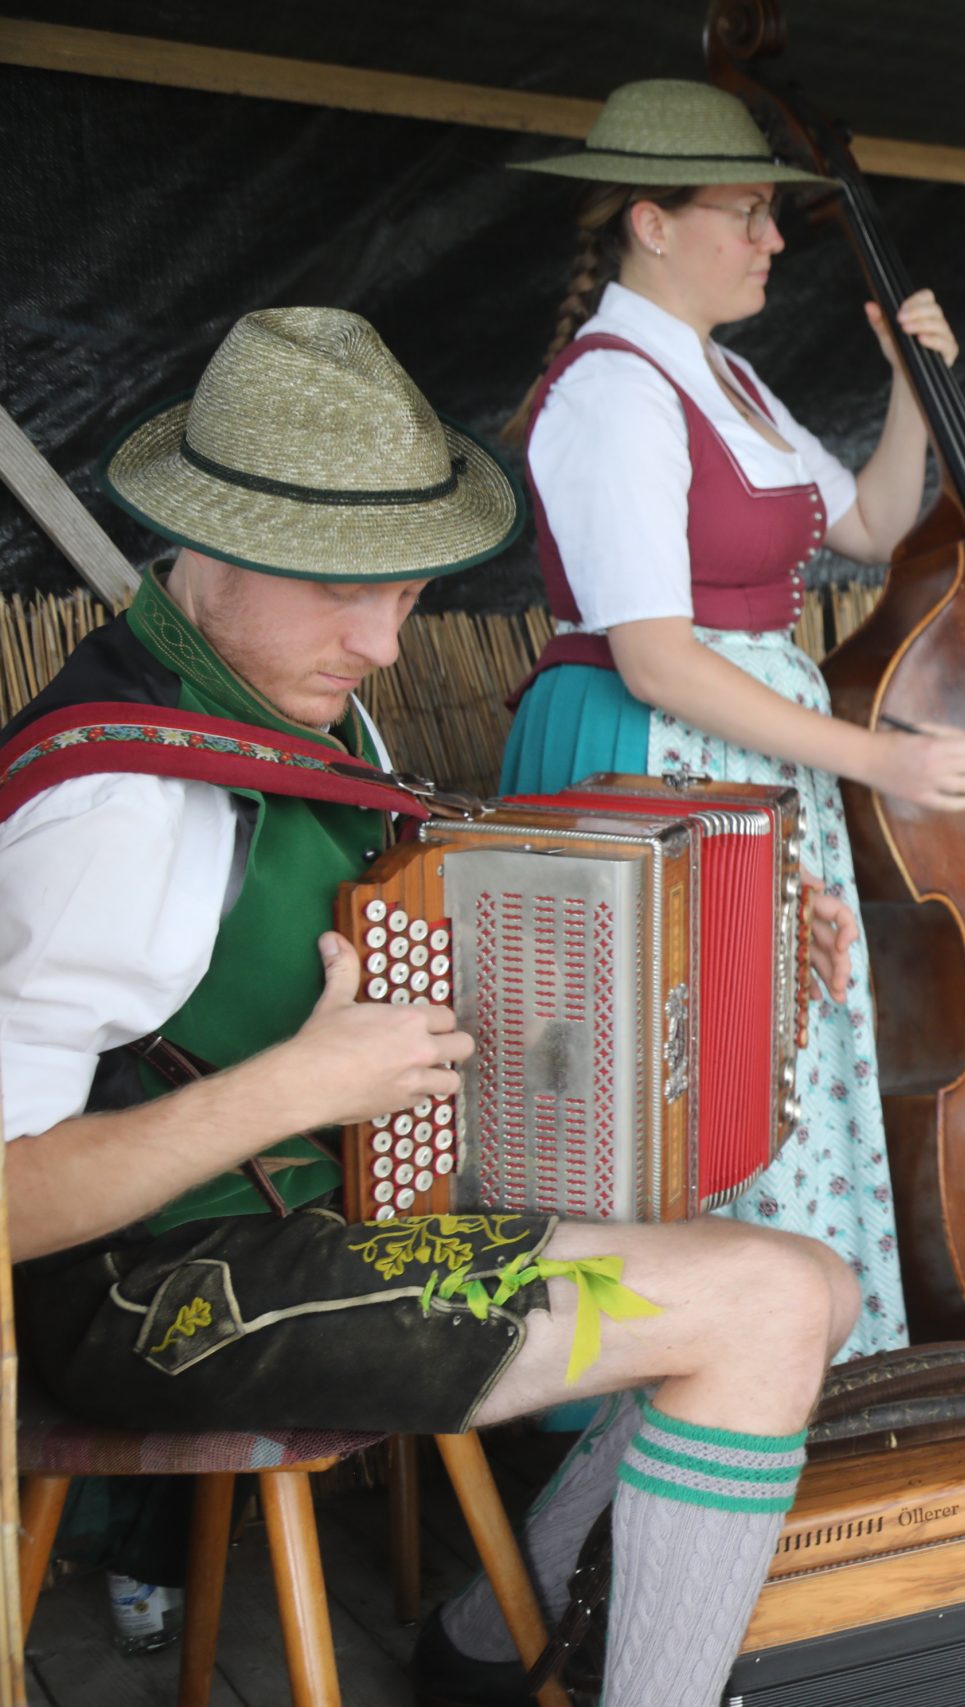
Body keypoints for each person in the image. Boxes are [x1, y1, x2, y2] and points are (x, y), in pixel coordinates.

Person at [0, 308, 857, 1707]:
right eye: (345, 592)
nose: (383, 643)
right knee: (759, 1302)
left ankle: (489, 1637)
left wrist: (743, 952)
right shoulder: (114, 808)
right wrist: (294, 1090)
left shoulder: (287, 708)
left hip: (313, 1223)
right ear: (211, 546)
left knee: (814, 1281)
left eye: (403, 595)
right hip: (154, 1297)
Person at [495, 79, 965, 1359]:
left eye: (775, 215)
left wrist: (909, 388)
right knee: (674, 1083)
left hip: (752, 765)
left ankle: (789, 1371)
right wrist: (878, 758)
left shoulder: (726, 376)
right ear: (652, 223)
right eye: (749, 213)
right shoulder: (612, 391)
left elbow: (873, 526)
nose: (775, 241)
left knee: (772, 1059)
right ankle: (673, 1395)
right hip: (652, 764)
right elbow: (657, 660)